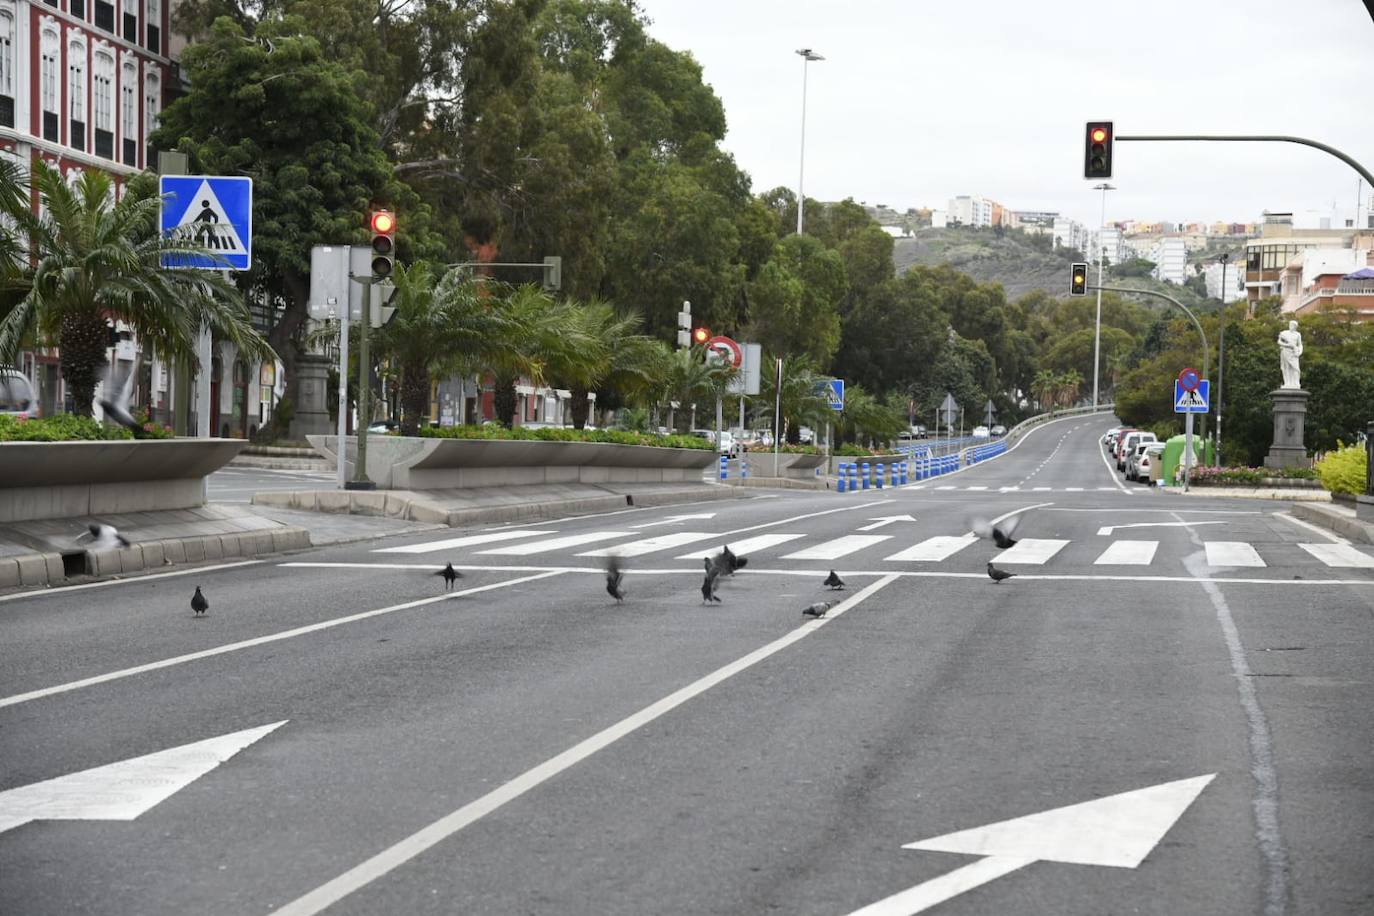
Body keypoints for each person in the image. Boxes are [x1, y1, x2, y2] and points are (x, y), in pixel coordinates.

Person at [1278, 320, 1303, 389]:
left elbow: (1300, 344)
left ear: (1295, 327)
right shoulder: (1284, 333)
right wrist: (1287, 345)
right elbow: (1279, 341)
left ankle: (1296, 383)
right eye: (1290, 325)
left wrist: (1299, 352)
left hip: (1294, 353)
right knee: (1286, 367)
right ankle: (1287, 383)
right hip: (1285, 351)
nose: (1291, 326)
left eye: (1292, 325)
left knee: (1296, 368)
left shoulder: (1298, 334)